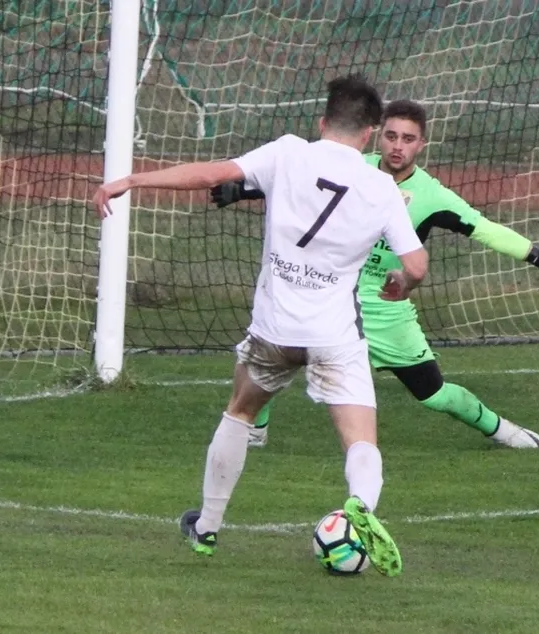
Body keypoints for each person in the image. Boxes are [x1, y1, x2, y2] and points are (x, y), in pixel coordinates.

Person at [93, 76, 428, 577]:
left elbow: (211, 175)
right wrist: (402, 283)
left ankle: (207, 527)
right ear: (369, 135)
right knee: (361, 440)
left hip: (274, 330)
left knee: (241, 412)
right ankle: (360, 506)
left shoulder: (287, 152)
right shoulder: (381, 187)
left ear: (323, 122)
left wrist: (134, 181)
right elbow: (416, 264)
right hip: (334, 335)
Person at [211, 99, 539, 450]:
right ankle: (255, 428)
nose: (398, 146)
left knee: (434, 394)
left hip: (385, 311)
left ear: (421, 145)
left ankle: (502, 431)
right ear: (377, 135)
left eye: (408, 139)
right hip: (328, 297)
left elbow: (484, 229)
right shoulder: (353, 165)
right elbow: (298, 179)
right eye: (391, 136)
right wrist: (242, 191)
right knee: (266, 353)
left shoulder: (431, 195)